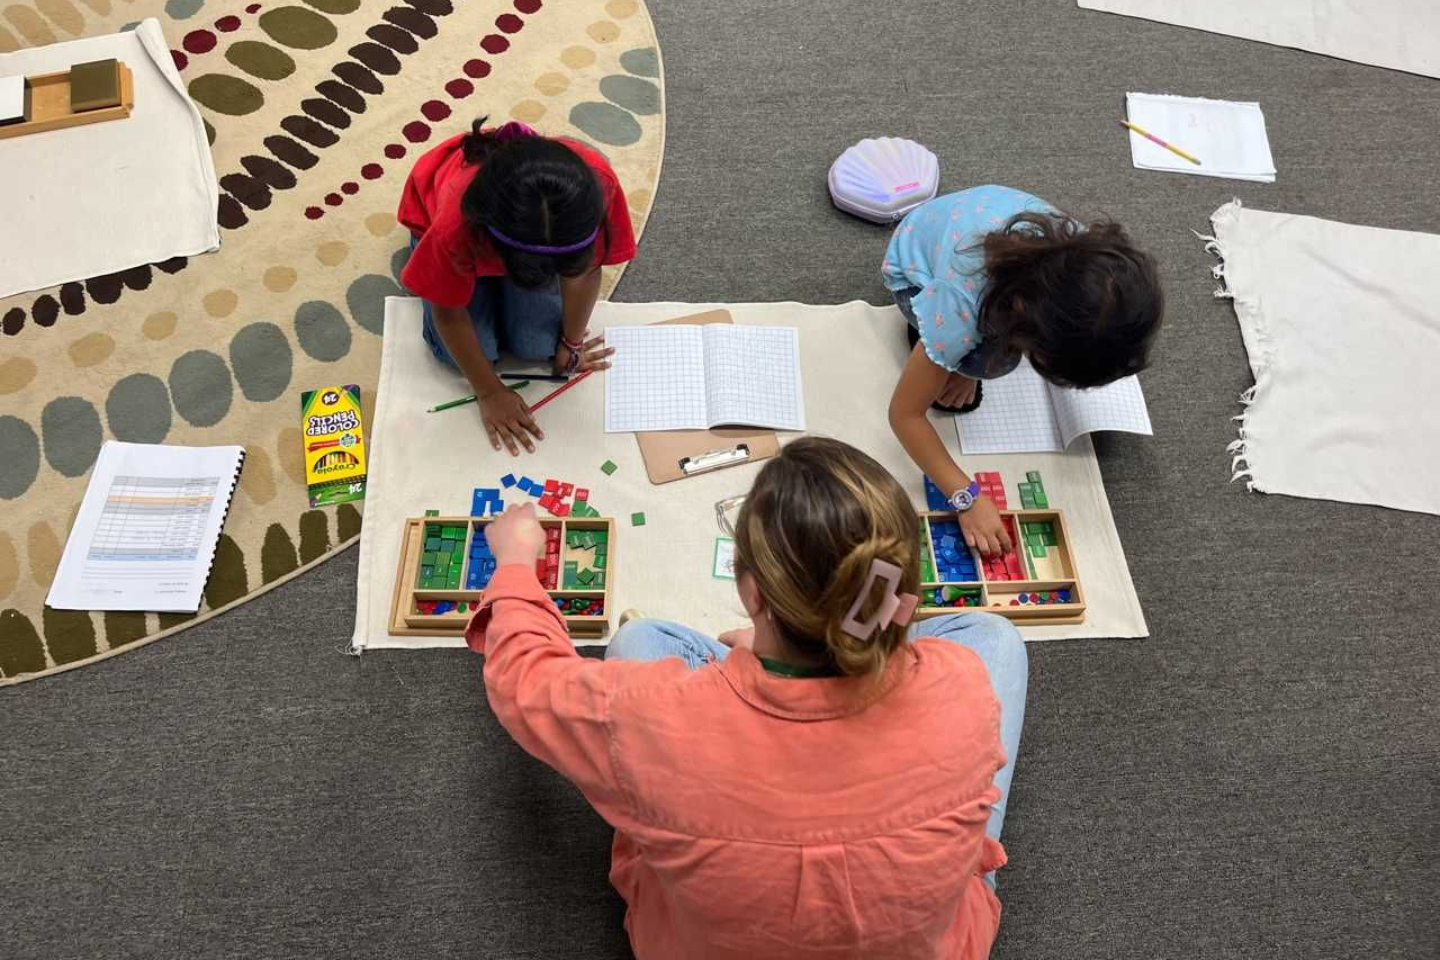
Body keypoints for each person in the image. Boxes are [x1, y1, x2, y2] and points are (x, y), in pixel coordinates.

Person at [469, 437, 1028, 959]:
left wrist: (516, 563)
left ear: (751, 591)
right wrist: (786, 650)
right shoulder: (960, 684)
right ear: (897, 588)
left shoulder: (649, 717)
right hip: (926, 940)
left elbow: (523, 678)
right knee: (996, 636)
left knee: (639, 639)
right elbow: (892, 631)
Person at [884, 185, 1162, 557]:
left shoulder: (1086, 264)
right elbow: (904, 415)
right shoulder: (962, 303)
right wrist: (966, 497)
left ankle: (954, 356)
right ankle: (935, 341)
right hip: (910, 265)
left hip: (969, 228)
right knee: (988, 362)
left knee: (990, 358)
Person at [398, 117, 637, 455]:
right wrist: (490, 392)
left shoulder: (599, 186)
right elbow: (449, 314)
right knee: (462, 357)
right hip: (448, 222)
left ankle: (508, 292)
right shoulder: (455, 224)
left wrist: (571, 342)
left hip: (514, 237)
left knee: (537, 346)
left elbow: (585, 272)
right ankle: (488, 285)